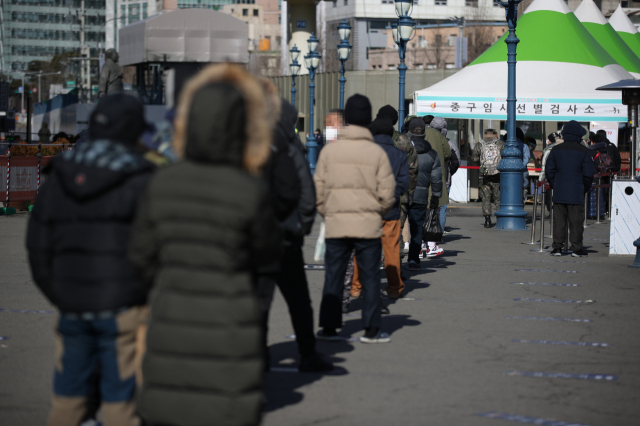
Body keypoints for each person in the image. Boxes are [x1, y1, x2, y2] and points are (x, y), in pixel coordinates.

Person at [128, 64, 281, 426]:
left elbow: (139, 258)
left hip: (171, 322)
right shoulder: (249, 190)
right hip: (230, 325)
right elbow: (268, 256)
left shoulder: (162, 182)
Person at [26, 93, 155, 426]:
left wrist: (58, 292)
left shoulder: (59, 174)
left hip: (70, 304)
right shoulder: (144, 178)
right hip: (123, 306)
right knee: (120, 402)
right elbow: (156, 248)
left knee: (67, 399)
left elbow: (38, 244)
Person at [257, 94, 333, 372]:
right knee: (299, 300)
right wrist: (303, 226)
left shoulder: (248, 142)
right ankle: (308, 353)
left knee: (258, 300)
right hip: (286, 236)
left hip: (255, 234)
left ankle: (259, 355)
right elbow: (304, 192)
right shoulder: (289, 147)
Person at [314, 94, 395, 343]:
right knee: (370, 277)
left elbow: (318, 188)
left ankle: (329, 327)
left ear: (346, 118)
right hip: (368, 225)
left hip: (337, 223)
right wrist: (375, 212)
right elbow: (388, 193)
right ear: (368, 119)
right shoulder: (377, 152)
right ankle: (371, 329)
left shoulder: (330, 151)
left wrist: (327, 210)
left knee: (334, 275)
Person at [351, 117, 409, 300]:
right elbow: (403, 183)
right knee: (391, 249)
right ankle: (394, 287)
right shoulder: (399, 154)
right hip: (389, 208)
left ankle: (356, 286)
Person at [374, 105, 417, 268]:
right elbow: (412, 170)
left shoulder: (367, 137)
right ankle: (395, 268)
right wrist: (408, 193)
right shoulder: (403, 140)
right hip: (397, 196)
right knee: (394, 232)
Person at [545, 120, 595, 257]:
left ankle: (557, 248)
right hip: (576, 191)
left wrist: (555, 183)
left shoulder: (556, 149)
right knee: (576, 222)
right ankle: (576, 249)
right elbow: (589, 173)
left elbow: (549, 169)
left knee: (559, 222)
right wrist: (584, 187)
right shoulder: (584, 151)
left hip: (560, 190)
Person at [405, 118, 443, 270]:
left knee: (397, 226)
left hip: (402, 194)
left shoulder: (402, 151)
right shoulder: (432, 154)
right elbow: (436, 178)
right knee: (417, 228)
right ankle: (413, 259)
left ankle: (392, 258)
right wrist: (435, 196)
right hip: (421, 196)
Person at [429, 117, 459, 233]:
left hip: (427, 179)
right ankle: (439, 233)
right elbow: (456, 162)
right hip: (444, 179)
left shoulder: (426, 141)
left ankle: (427, 234)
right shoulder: (449, 143)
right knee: (442, 208)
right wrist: (449, 172)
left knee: (428, 207)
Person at [472, 128, 504, 228]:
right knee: (498, 197)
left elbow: (474, 158)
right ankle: (500, 219)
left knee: (485, 197)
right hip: (497, 174)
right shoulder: (500, 144)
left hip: (484, 175)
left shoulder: (479, 144)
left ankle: (487, 220)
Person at [540, 132, 560, 213]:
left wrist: (540, 179)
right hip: (560, 177)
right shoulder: (562, 147)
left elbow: (544, 166)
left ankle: (551, 212)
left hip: (550, 177)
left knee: (549, 197)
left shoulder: (548, 150)